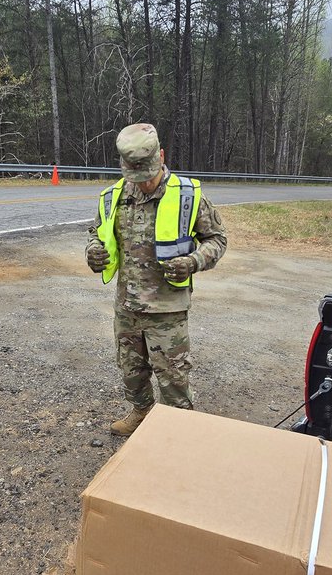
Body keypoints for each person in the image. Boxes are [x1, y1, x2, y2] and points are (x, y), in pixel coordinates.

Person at [85, 123, 228, 436]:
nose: (145, 183)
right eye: (136, 176)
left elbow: (217, 239)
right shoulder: (112, 197)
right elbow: (97, 235)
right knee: (131, 370)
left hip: (167, 309)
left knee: (173, 376)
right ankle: (141, 412)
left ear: (161, 156)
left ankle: (178, 429)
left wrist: (193, 261)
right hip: (127, 306)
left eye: (149, 174)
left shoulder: (188, 196)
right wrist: (93, 251)